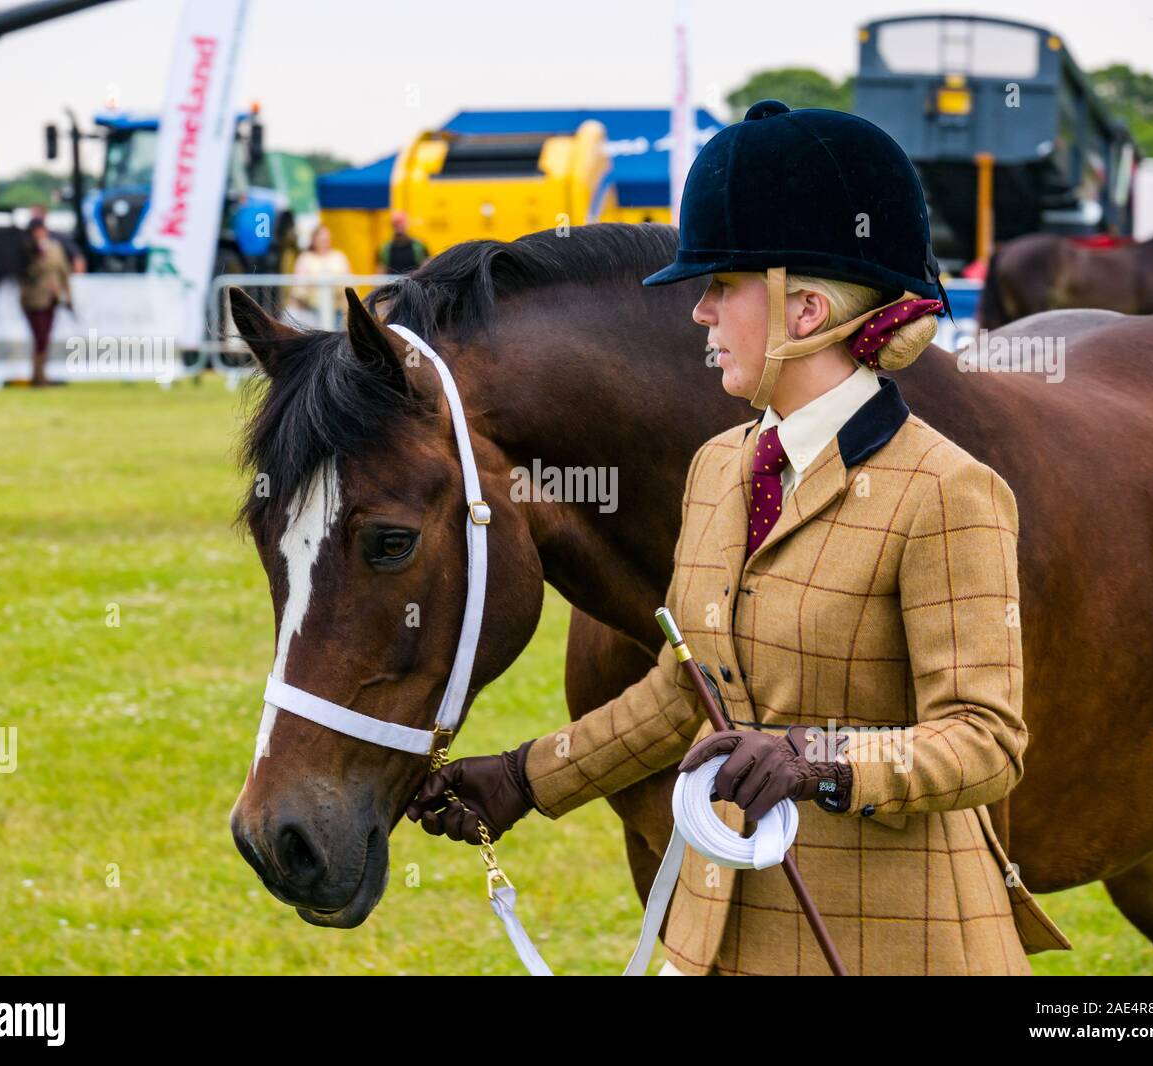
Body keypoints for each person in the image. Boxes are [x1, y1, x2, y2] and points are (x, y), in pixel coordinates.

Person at [406, 100, 1073, 976]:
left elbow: (984, 741)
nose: (699, 313)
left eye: (721, 287)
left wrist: (815, 757)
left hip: (896, 944)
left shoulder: (951, 492)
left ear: (804, 311)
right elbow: (694, 693)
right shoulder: (720, 467)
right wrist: (526, 779)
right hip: (720, 938)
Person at [19, 216, 72, 387]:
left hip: (52, 297)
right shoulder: (27, 251)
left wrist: (68, 295)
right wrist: (38, 255)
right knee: (40, 336)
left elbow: (63, 271)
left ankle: (40, 375)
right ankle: (39, 376)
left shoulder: (55, 247)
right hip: (34, 299)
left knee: (45, 337)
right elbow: (29, 273)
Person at [290, 223, 352, 326]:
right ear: (314, 240)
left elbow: (348, 281)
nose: (325, 242)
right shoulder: (305, 258)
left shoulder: (339, 256)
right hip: (311, 311)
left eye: (327, 239)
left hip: (338, 310)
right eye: (322, 240)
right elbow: (299, 287)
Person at [376, 209, 428, 275]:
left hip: (413, 283)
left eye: (401, 223)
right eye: (396, 224)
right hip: (393, 284)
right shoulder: (385, 249)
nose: (398, 227)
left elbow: (425, 269)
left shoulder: (419, 247)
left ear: (406, 225)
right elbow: (380, 272)